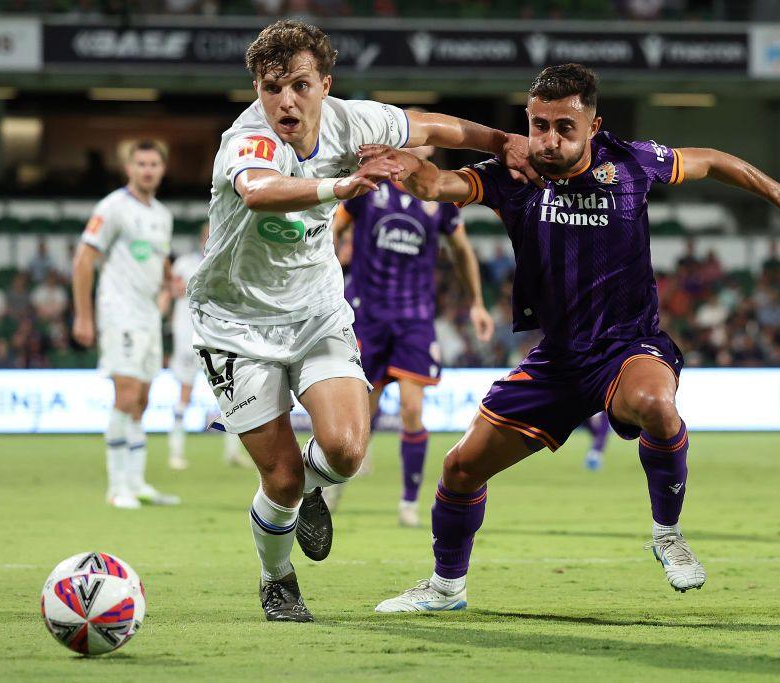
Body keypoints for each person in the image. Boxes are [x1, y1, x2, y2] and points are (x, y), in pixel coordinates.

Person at [370, 63, 780, 612]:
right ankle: (446, 587)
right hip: (558, 361)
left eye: (565, 126)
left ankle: (667, 534)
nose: (549, 139)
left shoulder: (632, 162)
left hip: (626, 348)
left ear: (593, 125)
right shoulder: (510, 175)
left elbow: (710, 161)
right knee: (460, 468)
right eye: (539, 125)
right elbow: (438, 185)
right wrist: (404, 165)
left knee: (656, 403)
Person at [186, 20, 537, 622]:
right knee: (281, 477)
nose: (285, 101)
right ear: (257, 88)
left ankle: (314, 486)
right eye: (271, 88)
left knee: (347, 450)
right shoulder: (246, 139)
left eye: (299, 85)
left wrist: (502, 140)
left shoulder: (356, 121)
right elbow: (259, 193)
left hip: (317, 310)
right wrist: (343, 185)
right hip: (235, 324)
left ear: (325, 83)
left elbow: (431, 126)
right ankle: (277, 579)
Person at [330, 143, 495, 527]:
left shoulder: (439, 196)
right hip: (365, 315)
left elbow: (462, 250)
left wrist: (477, 303)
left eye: (419, 138)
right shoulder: (371, 186)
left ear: (430, 147)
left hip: (414, 320)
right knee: (359, 415)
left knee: (412, 408)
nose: (412, 144)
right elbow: (335, 227)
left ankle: (408, 502)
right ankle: (335, 482)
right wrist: (328, 269)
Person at [71, 139, 180, 510]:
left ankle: (137, 482)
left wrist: (170, 283)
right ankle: (117, 488)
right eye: (141, 164)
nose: (148, 170)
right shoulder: (113, 208)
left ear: (162, 169)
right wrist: (84, 315)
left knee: (143, 400)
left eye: (154, 164)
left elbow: (160, 261)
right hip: (119, 312)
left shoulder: (162, 215)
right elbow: (84, 261)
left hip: (149, 315)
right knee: (127, 394)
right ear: (129, 168)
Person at [167, 224, 250, 471]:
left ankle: (233, 452)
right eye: (209, 234)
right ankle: (176, 451)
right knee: (185, 392)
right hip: (187, 337)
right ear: (202, 238)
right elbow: (173, 289)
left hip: (218, 339)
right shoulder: (185, 263)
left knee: (230, 395)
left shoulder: (229, 263)